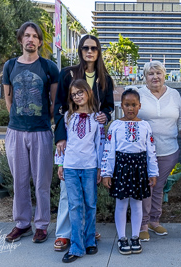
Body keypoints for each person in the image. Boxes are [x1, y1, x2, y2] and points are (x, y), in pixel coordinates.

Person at [53, 34, 114, 251]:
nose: (89, 51)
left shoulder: (104, 77)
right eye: (85, 48)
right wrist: (60, 136)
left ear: (98, 52)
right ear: (80, 50)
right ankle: (63, 233)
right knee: (68, 192)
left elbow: (108, 106)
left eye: (94, 48)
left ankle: (86, 230)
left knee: (89, 198)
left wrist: (104, 116)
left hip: (91, 136)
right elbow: (59, 106)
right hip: (70, 137)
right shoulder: (68, 74)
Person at [2, 21, 59, 243]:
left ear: (40, 41)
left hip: (41, 131)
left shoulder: (48, 67)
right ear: (20, 39)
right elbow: (8, 99)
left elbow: (54, 101)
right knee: (20, 181)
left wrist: (44, 119)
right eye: (27, 35)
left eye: (35, 36)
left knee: (42, 181)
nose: (31, 39)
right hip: (16, 132)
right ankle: (22, 223)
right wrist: (17, 119)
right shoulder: (9, 66)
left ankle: (42, 224)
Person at [101, 89, 159, 255]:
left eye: (134, 105)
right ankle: (121, 237)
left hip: (139, 168)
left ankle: (135, 236)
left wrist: (153, 172)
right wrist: (106, 173)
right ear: (122, 106)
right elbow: (109, 151)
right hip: (121, 168)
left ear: (139, 106)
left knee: (137, 203)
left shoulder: (145, 126)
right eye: (127, 105)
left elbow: (151, 151)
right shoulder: (116, 125)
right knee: (121, 203)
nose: (130, 108)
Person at [137, 61, 181, 241]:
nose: (155, 77)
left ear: (165, 75)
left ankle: (154, 221)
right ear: (145, 76)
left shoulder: (174, 94)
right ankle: (142, 224)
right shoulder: (138, 93)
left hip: (169, 150)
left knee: (158, 186)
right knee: (146, 187)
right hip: (142, 152)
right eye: (150, 74)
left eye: (158, 73)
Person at [55, 79, 101, 263]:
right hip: (71, 166)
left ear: (88, 92)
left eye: (80, 92)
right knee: (74, 205)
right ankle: (76, 246)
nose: (77, 96)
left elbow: (100, 144)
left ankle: (90, 240)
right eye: (74, 94)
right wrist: (60, 164)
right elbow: (61, 143)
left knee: (90, 203)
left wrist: (99, 168)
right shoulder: (68, 116)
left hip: (89, 166)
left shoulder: (97, 118)